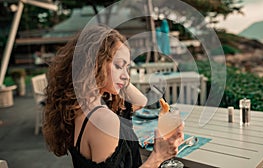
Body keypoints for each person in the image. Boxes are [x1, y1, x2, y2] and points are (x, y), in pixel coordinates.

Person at [43, 25, 184, 168]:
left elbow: (141, 101)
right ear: (94, 64)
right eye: (118, 65)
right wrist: (158, 157)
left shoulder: (80, 106)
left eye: (127, 67)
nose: (127, 76)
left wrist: (119, 76)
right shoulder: (104, 120)